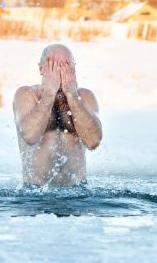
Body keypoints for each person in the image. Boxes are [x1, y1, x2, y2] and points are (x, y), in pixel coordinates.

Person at [12, 44, 103, 186]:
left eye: (66, 66)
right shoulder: (27, 95)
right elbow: (30, 136)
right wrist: (49, 93)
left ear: (73, 68)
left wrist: (72, 95)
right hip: (34, 193)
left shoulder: (84, 96)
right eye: (53, 66)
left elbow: (93, 142)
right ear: (41, 68)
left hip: (78, 193)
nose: (60, 72)